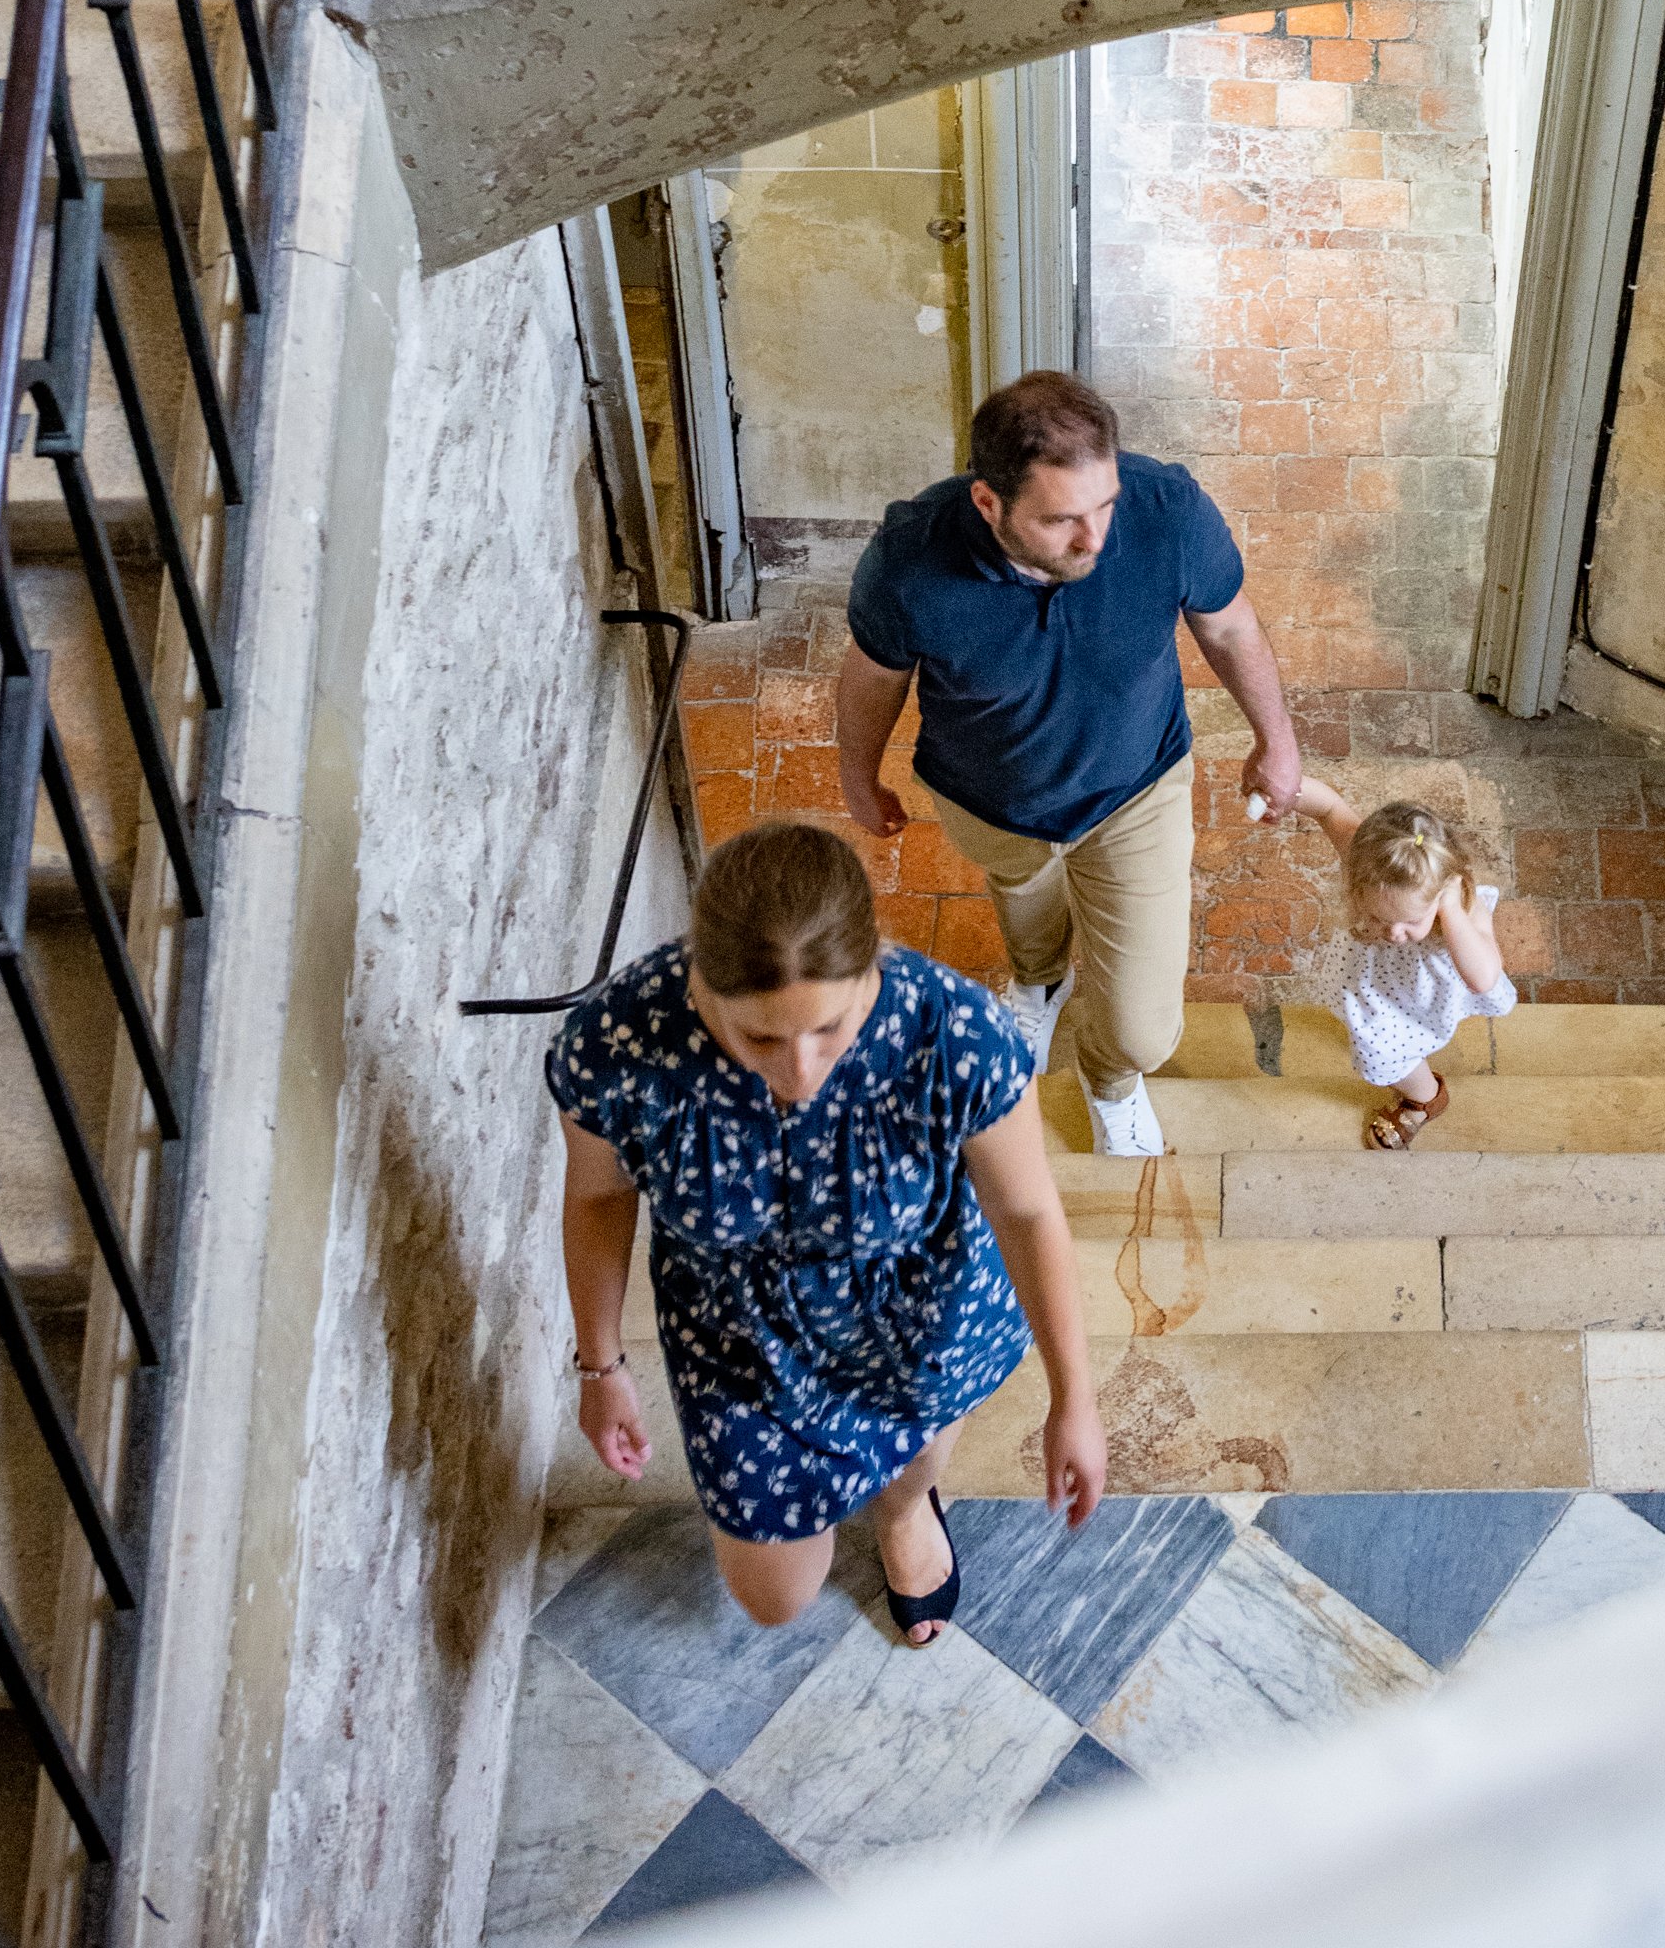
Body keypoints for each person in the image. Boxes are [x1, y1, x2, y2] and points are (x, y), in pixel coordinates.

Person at [549, 813, 1103, 1639]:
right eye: (759, 1036)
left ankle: (904, 1514)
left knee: (914, 1457)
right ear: (697, 984)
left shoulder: (954, 1033)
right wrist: (601, 1367)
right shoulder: (618, 1045)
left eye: (830, 1029)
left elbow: (1024, 1211)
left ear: (870, 968)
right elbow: (597, 1199)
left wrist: (1074, 1396)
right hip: (739, 1342)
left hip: (922, 1315)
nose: (799, 1070)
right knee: (773, 1598)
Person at [836, 368, 1304, 1162]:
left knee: (1143, 1028)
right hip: (988, 796)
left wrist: (1277, 738)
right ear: (989, 503)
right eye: (1060, 520)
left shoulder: (1168, 512)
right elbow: (872, 677)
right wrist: (857, 774)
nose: (1095, 539)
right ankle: (1040, 981)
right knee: (1023, 896)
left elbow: (1228, 630)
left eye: (1104, 505)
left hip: (1136, 790)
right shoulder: (908, 563)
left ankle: (1111, 1082)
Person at [1284, 778, 1516, 1152]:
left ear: (1440, 894)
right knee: (1362, 1022)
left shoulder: (1460, 910)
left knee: (1386, 1056)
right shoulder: (1376, 862)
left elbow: (1484, 977)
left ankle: (1425, 1098)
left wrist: (1451, 908)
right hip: (1375, 981)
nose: (1392, 933)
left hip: (1412, 1003)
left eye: (1410, 922)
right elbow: (1328, 808)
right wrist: (1282, 790)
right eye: (1377, 917)